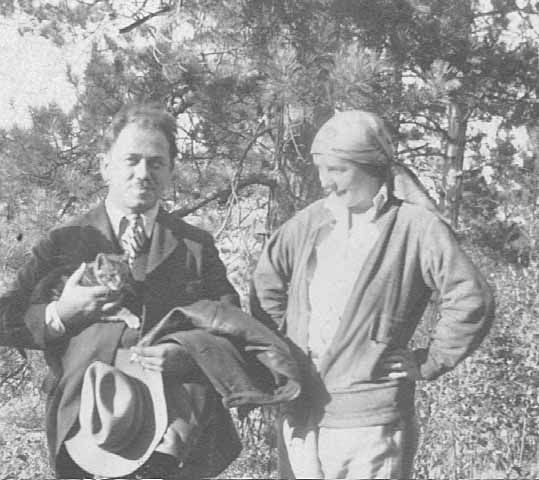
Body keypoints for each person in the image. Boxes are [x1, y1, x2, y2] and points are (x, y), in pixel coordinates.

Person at [0, 104, 242, 479]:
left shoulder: (196, 245)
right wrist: (61, 314)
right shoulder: (64, 242)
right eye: (131, 160)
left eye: (156, 163)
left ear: (171, 171)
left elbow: (233, 326)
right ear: (104, 166)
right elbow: (7, 318)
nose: (143, 173)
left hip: (177, 438)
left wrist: (190, 355)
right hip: (88, 428)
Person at [250, 110, 495, 479]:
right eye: (321, 169)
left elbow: (471, 297)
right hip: (302, 419)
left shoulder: (415, 227)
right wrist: (285, 351)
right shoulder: (310, 222)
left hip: (370, 426)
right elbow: (265, 284)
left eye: (337, 170)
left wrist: (429, 360)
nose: (325, 182)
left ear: (371, 166)